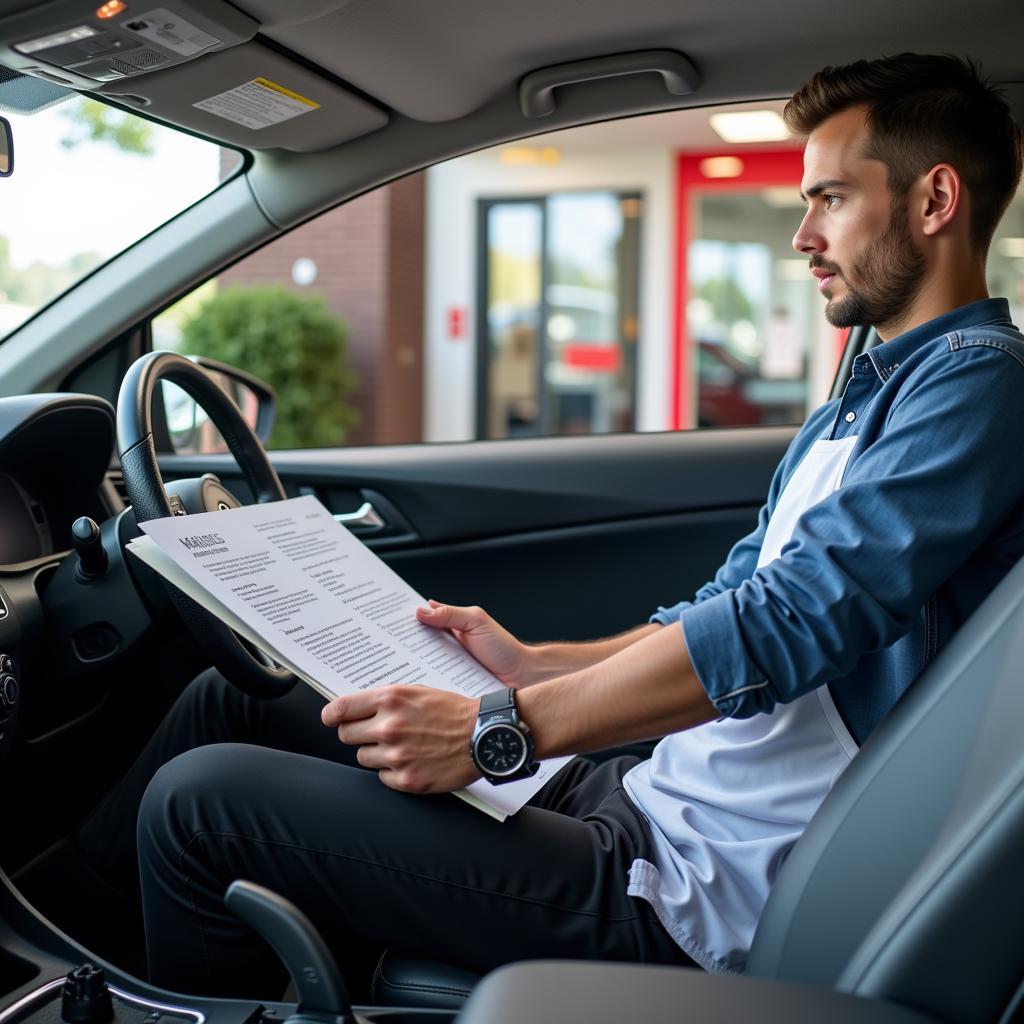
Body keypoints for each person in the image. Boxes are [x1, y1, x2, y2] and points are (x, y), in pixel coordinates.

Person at [36, 52, 1024, 994]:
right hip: (646, 794)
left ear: (934, 200)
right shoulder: (868, 394)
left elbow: (794, 618)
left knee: (199, 806)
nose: (803, 234)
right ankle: (61, 948)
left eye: (830, 199)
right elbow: (732, 601)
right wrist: (537, 668)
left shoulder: (979, 384)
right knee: (238, 700)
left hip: (690, 886)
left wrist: (498, 732)